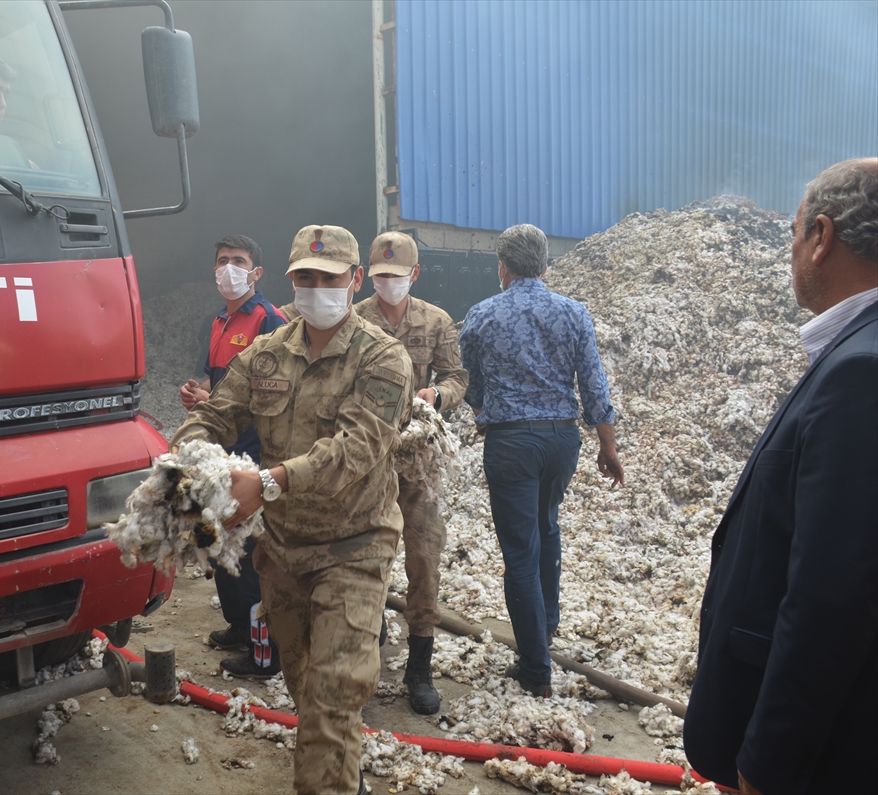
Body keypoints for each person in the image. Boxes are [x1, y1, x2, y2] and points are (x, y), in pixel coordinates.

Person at [171, 224, 414, 795]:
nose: (315, 287)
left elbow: (354, 450)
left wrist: (267, 482)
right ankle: (342, 778)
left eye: (328, 278)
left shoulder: (383, 359)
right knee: (308, 693)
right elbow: (218, 411)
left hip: (354, 549)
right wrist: (189, 457)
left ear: (354, 281)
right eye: (304, 277)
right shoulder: (266, 353)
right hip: (282, 555)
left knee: (332, 703)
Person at [684, 159, 878, 795]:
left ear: (822, 237)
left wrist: (769, 764)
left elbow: (833, 594)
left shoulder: (861, 373)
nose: (789, 253)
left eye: (794, 234)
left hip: (811, 758)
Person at [459, 223, 624, 698]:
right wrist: (607, 446)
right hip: (561, 442)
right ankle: (545, 628)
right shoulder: (574, 313)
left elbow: (471, 382)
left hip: (510, 444)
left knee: (519, 553)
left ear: (502, 268)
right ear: (546, 266)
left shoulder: (482, 315)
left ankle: (535, 669)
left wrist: (489, 410)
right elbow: (594, 386)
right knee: (547, 526)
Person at [355, 230, 469, 715]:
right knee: (364, 555)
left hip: (418, 465)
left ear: (414, 275)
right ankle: (368, 638)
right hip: (365, 461)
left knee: (423, 559)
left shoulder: (436, 321)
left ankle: (418, 666)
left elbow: (457, 376)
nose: (388, 284)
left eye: (397, 277)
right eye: (380, 276)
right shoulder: (354, 319)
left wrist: (437, 396)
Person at [178, 235, 287, 678]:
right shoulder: (219, 321)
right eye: (222, 261)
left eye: (238, 262)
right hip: (221, 450)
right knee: (219, 539)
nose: (228, 269)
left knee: (251, 555)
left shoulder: (269, 320)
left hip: (254, 454)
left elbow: (278, 394)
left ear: (256, 272)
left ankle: (265, 649)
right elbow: (223, 387)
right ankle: (238, 626)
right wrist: (200, 397)